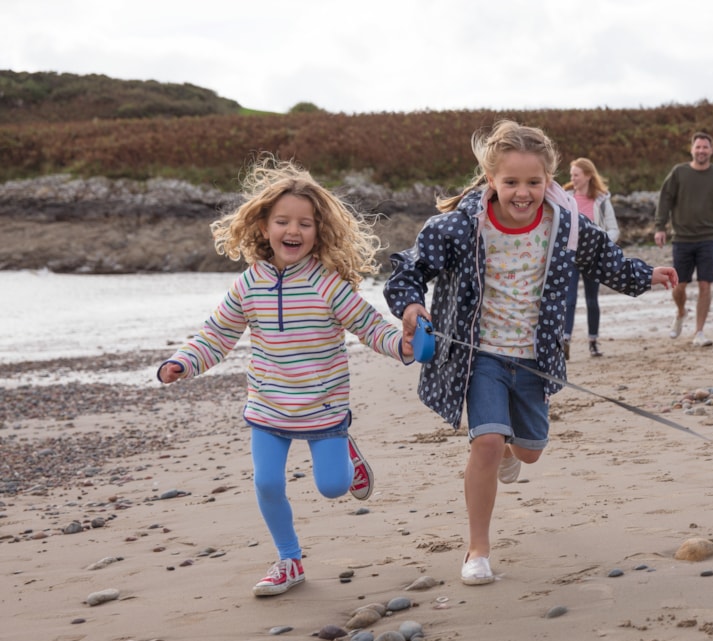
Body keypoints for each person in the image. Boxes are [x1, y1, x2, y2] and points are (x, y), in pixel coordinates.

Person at [385, 120, 677, 587]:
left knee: (530, 450)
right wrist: (411, 304)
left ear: (550, 181)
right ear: (491, 180)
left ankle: (509, 449)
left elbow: (606, 260)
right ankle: (478, 549)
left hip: (536, 357)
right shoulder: (462, 224)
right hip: (478, 355)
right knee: (484, 442)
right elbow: (410, 267)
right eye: (511, 182)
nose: (523, 193)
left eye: (534, 183)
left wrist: (646, 276)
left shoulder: (565, 225)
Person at [155, 157, 412, 598]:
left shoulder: (328, 285)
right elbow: (217, 334)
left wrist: (403, 345)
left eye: (305, 224)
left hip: (323, 407)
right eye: (283, 221)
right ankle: (288, 560)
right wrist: (184, 361)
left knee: (333, 487)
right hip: (268, 406)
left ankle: (345, 451)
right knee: (267, 482)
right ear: (263, 226)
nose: (293, 231)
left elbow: (371, 326)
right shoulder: (248, 284)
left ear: (320, 231)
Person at [653, 131, 713, 347]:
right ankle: (681, 312)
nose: (701, 151)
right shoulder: (679, 173)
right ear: (692, 150)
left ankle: (699, 332)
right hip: (682, 238)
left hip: (708, 238)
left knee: (705, 285)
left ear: (711, 150)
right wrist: (660, 227)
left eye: (705, 147)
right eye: (697, 147)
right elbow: (665, 200)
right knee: (679, 286)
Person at [563, 157, 620, 358]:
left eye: (576, 175)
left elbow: (613, 229)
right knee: (568, 299)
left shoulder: (602, 200)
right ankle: (565, 340)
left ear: (588, 176)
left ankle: (593, 341)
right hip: (570, 256)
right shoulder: (566, 197)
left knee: (592, 300)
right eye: (572, 175)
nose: (573, 179)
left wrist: (601, 243)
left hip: (593, 257)